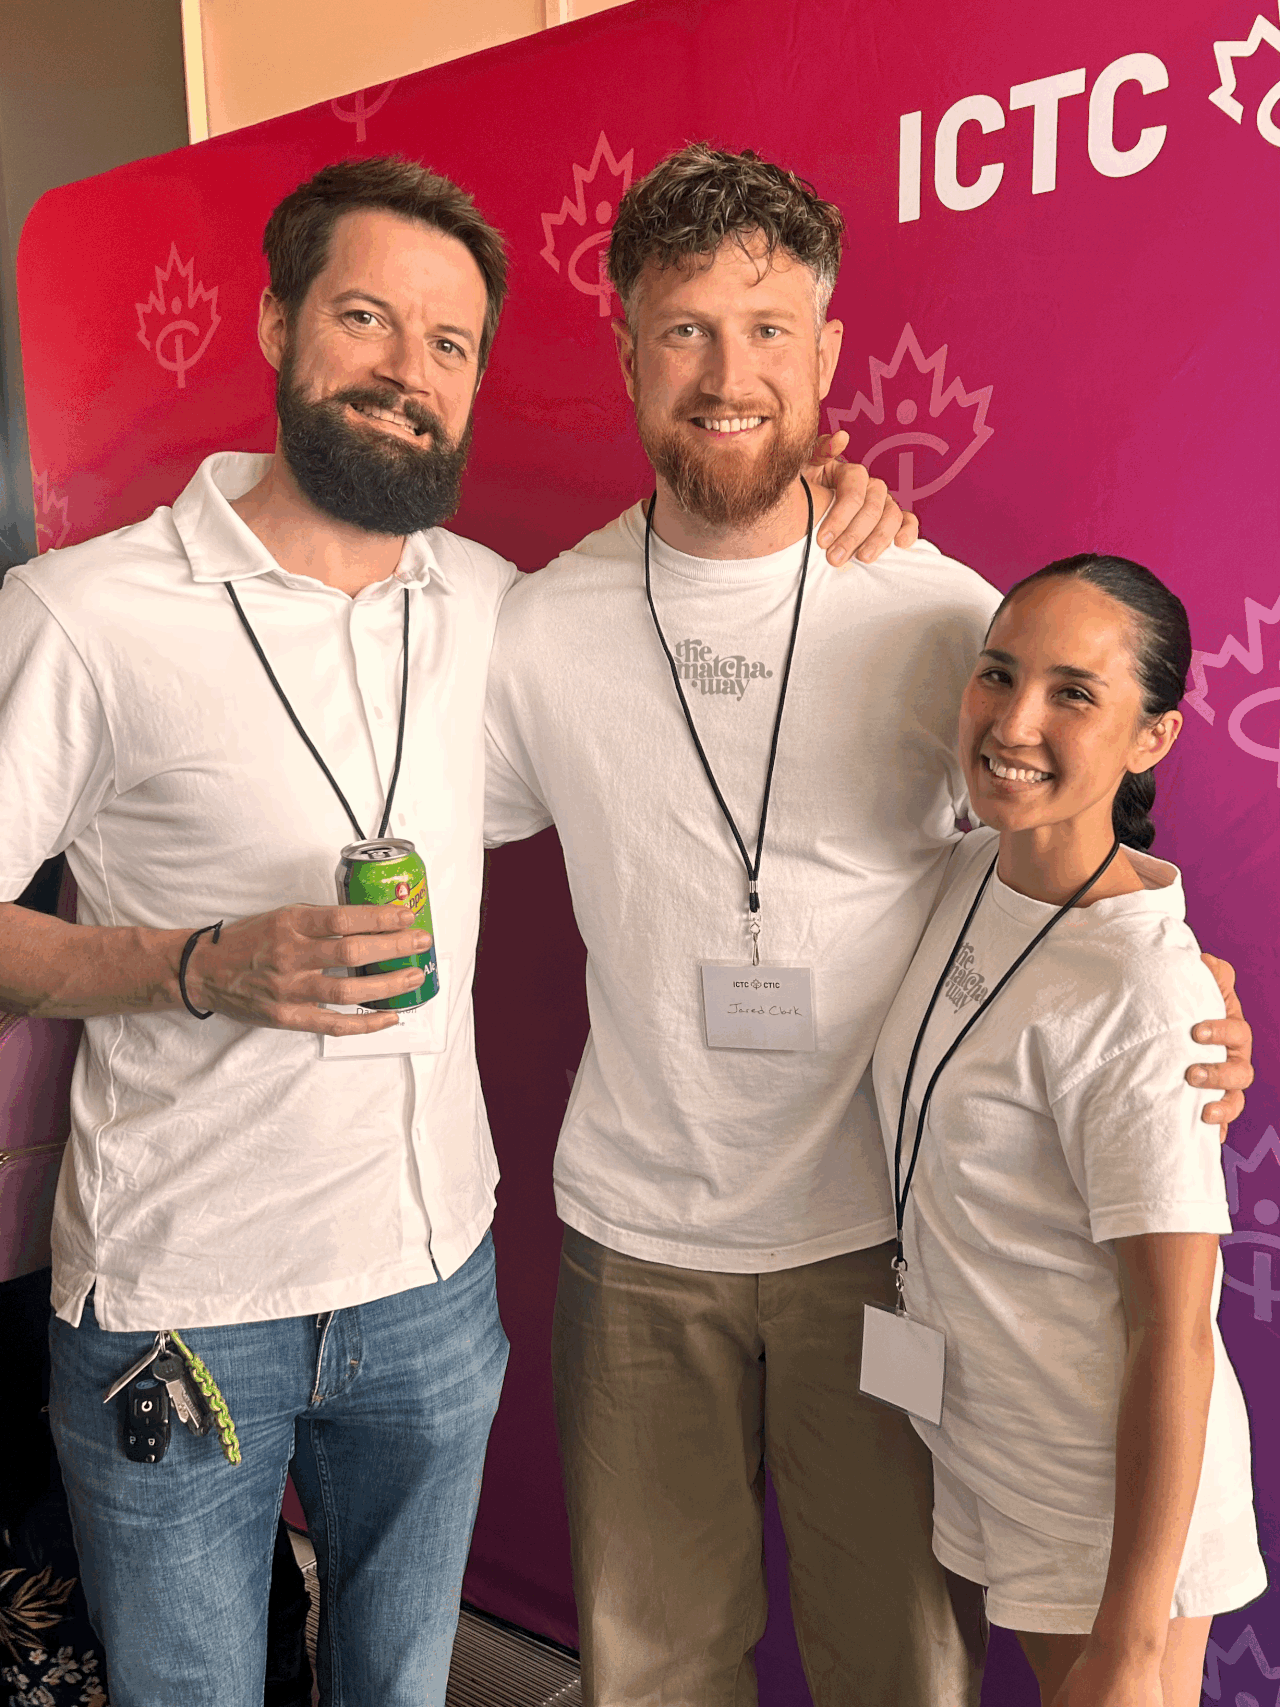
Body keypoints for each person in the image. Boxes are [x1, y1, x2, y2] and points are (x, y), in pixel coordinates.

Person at [0, 155, 902, 1705]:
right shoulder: (85, 611)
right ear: (279, 320)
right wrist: (192, 961)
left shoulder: (497, 604)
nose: (407, 372)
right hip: (180, 1300)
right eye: (366, 316)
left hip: (429, 1290)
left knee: (400, 1689)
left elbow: (701, 573)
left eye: (449, 343)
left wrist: (815, 497)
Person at [481, 146, 1255, 1707]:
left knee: (901, 1669)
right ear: (626, 353)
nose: (728, 373)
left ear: (829, 354)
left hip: (890, 1259)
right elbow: (393, 823)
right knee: (656, 1672)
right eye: (684, 328)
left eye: (770, 328)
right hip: (635, 1247)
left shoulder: (943, 619)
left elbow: (1065, 863)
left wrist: (1187, 989)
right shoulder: (535, 629)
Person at [871, 554, 1266, 1707]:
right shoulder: (961, 880)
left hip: (1108, 1512)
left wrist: (1131, 1639)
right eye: (997, 675)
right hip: (996, 1452)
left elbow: (1173, 1330)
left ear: (1150, 737)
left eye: (1072, 694)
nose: (1013, 721)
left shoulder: (1145, 992)